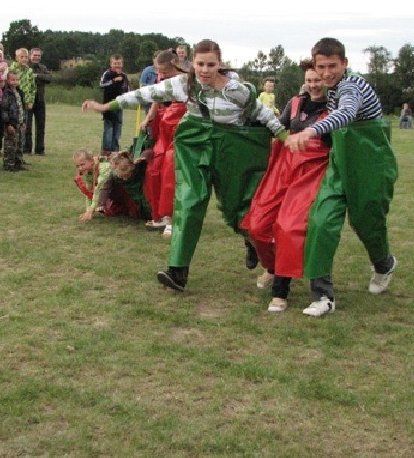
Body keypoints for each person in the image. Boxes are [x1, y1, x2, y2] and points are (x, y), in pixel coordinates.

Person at [83, 39, 287, 292]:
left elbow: (263, 114)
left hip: (231, 150)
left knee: (237, 210)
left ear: (219, 64)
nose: (204, 70)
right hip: (195, 147)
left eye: (210, 64)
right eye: (200, 64)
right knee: (189, 202)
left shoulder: (238, 90)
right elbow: (145, 94)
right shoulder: (183, 84)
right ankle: (177, 271)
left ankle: (260, 250)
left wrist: (286, 137)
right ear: (192, 64)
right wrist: (106, 105)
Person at [286, 37, 398, 317]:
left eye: (332, 66)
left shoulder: (351, 86)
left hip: (370, 164)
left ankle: (384, 264)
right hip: (340, 163)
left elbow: (347, 113)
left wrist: (311, 130)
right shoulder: (331, 88)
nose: (326, 73)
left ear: (345, 63)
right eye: (321, 67)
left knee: (367, 222)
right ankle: (322, 296)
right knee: (321, 220)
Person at [241, 60, 331, 313]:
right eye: (309, 80)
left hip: (311, 173)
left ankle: (280, 291)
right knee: (257, 225)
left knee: (287, 227)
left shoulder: (335, 109)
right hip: (283, 169)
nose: (313, 85)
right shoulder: (295, 103)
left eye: (317, 80)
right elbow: (277, 128)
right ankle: (272, 267)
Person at [139, 50, 188, 236]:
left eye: (164, 72)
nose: (161, 75)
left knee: (170, 170)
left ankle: (172, 218)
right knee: (153, 169)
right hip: (164, 126)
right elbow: (156, 100)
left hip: (181, 129)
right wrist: (148, 118)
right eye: (158, 72)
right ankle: (158, 215)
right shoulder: (162, 81)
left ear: (175, 65)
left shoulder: (188, 82)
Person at [99, 54, 129, 154]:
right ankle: (106, 152)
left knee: (117, 130)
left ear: (122, 64)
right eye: (115, 63)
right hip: (108, 106)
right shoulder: (107, 74)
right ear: (111, 64)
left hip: (119, 106)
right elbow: (102, 84)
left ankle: (115, 152)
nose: (117, 65)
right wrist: (113, 81)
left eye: (119, 63)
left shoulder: (124, 76)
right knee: (109, 129)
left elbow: (127, 89)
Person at [25, 47, 52, 156]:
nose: (37, 57)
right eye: (35, 55)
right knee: (27, 126)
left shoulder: (43, 68)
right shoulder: (25, 67)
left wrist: (37, 76)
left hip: (40, 100)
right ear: (30, 56)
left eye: (38, 55)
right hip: (28, 100)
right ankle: (27, 149)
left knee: (41, 125)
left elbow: (49, 78)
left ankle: (40, 149)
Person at [1, 71, 26, 172]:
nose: (15, 82)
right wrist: (8, 124)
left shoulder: (20, 92)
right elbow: (4, 109)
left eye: (17, 80)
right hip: (11, 123)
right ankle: (8, 164)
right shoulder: (6, 93)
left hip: (19, 122)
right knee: (10, 145)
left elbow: (22, 108)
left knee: (19, 144)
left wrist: (24, 121)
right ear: (8, 80)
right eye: (12, 80)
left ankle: (18, 163)